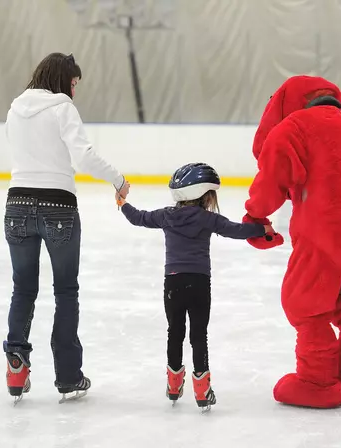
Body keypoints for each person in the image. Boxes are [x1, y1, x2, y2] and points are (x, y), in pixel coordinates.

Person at [242, 75, 341, 408]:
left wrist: (256, 217)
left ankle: (317, 382)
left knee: (308, 307)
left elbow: (273, 174)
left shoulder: (296, 126)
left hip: (321, 235)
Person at [3, 52, 130, 403]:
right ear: (63, 80)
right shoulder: (62, 107)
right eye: (73, 83)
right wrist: (117, 179)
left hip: (16, 206)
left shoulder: (15, 108)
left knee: (23, 289)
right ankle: (70, 376)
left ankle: (16, 361)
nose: (74, 90)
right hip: (58, 206)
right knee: (65, 291)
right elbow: (83, 156)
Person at [115, 163, 274, 410]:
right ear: (204, 195)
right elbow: (236, 230)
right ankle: (202, 390)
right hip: (199, 283)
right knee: (198, 334)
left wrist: (122, 203)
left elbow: (139, 218)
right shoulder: (207, 218)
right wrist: (260, 229)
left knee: (174, 332)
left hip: (173, 282)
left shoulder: (166, 215)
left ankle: (174, 385)